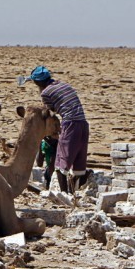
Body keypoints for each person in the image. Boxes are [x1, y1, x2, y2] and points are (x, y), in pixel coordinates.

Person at [30, 65, 90, 194]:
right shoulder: (64, 85)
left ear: (37, 82)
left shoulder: (45, 93)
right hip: (83, 124)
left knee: (60, 162)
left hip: (70, 124)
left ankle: (64, 195)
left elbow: (49, 112)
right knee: (78, 160)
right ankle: (74, 189)